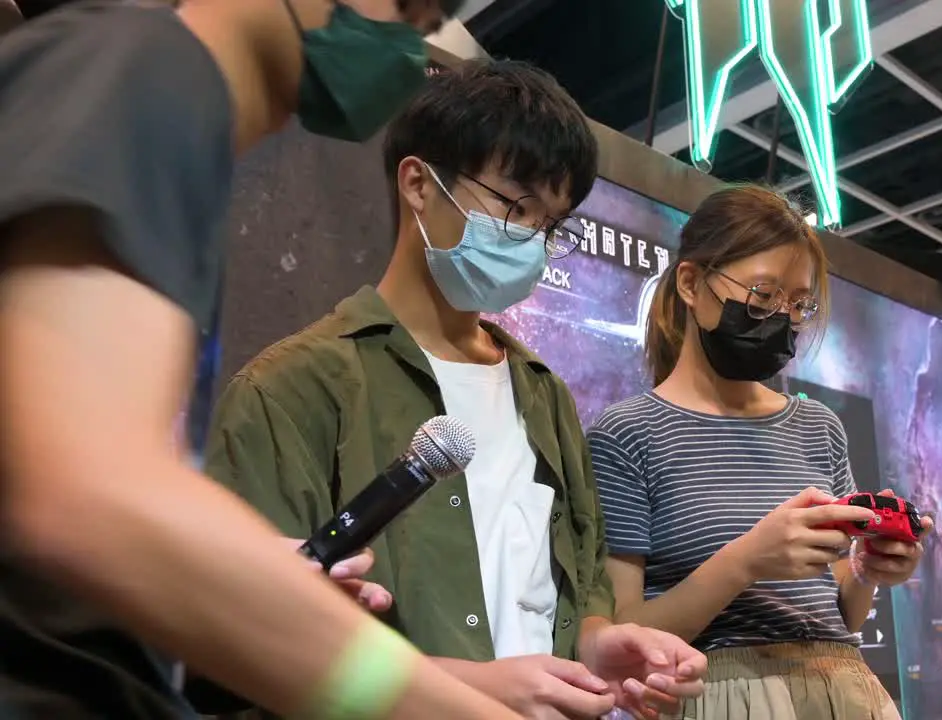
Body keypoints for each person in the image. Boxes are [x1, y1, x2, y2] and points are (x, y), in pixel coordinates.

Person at [0, 0, 521, 718]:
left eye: (425, 22)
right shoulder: (147, 70)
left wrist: (243, 575)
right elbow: (87, 500)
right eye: (405, 8)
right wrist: (425, 703)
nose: (407, 48)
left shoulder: (166, 123)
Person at [203, 59, 708, 720]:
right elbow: (244, 638)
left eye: (550, 225)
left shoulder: (544, 395)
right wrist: (460, 686)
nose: (529, 240)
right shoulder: (291, 388)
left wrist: (602, 643)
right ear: (419, 183)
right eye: (514, 207)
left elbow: (575, 581)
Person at [588, 185, 935, 720]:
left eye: (799, 304)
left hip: (846, 689)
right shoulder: (628, 434)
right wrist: (745, 561)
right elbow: (625, 635)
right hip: (720, 695)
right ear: (690, 283)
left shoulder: (819, 427)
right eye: (762, 296)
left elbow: (841, 612)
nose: (782, 318)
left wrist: (868, 570)